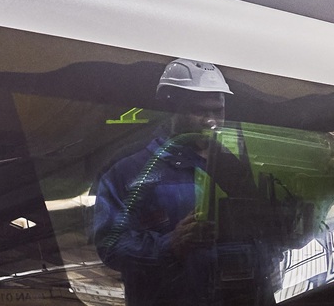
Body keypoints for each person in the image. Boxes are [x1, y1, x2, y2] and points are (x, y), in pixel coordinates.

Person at [91, 58, 299, 305]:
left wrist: (291, 228)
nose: (211, 121)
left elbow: (270, 236)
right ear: (171, 108)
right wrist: (171, 244)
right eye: (199, 111)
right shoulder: (130, 170)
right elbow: (110, 246)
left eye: (218, 111)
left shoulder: (242, 166)